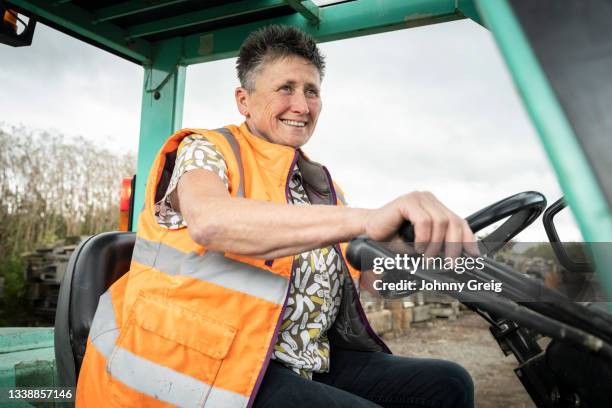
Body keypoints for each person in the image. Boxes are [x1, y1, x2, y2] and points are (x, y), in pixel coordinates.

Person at [77, 25, 475, 407]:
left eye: (311, 91)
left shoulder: (323, 190)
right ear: (243, 100)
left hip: (296, 361)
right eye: (285, 88)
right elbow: (210, 221)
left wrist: (429, 255)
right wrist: (369, 219)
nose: (302, 106)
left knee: (449, 384)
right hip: (199, 366)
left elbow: (366, 278)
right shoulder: (208, 150)